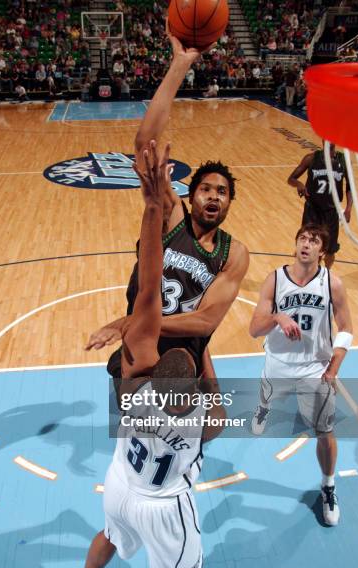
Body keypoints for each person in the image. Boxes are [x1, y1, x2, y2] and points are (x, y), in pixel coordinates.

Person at [66, 142, 227, 568]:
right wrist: (205, 348)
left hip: (120, 484)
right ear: (193, 389)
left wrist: (154, 210)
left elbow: (150, 281)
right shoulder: (204, 423)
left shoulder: (134, 382)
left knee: (110, 536)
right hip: (166, 507)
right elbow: (217, 404)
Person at [87, 33, 249, 384]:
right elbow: (146, 145)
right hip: (141, 349)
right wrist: (181, 65)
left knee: (203, 430)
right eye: (205, 189)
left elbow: (206, 321)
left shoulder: (233, 253)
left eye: (221, 192)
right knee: (134, 435)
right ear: (190, 198)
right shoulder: (173, 219)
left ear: (229, 202)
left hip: (182, 357)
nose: (213, 196)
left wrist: (130, 321)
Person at [249, 223, 353, 526]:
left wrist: (334, 366)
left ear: (323, 251)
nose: (307, 244)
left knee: (325, 432)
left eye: (314, 240)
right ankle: (263, 409)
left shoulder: (332, 283)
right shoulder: (275, 280)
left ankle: (328, 485)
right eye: (303, 239)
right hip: (279, 361)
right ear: (295, 245)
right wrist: (277, 317)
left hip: (313, 368)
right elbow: (254, 329)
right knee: (266, 392)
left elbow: (346, 328)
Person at [288, 143, 353, 268]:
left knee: (330, 250)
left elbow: (350, 187)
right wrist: (299, 185)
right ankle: (301, 273)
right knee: (305, 245)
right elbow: (291, 178)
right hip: (312, 210)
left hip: (331, 211)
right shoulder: (311, 158)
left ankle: (326, 274)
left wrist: (348, 209)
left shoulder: (343, 161)